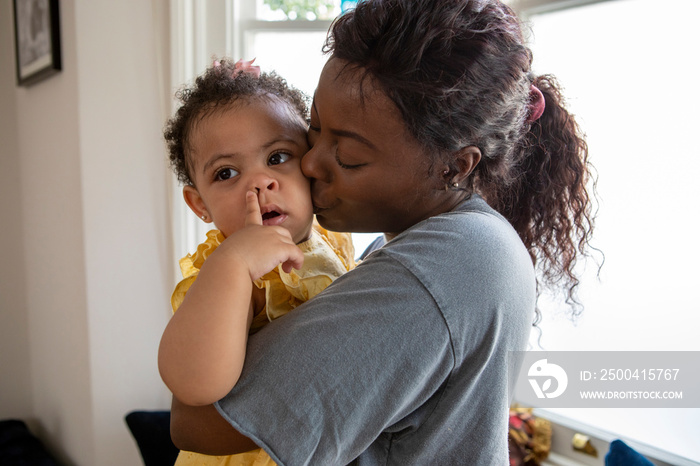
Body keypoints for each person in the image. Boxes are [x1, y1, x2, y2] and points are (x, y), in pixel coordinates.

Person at [168, 0, 596, 464]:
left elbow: (199, 421)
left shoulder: (432, 273)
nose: (310, 163)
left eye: (347, 155)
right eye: (314, 130)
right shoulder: (434, 243)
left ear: (453, 165)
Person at [158, 58, 355, 466]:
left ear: (312, 163)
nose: (260, 182)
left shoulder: (334, 238)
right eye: (227, 172)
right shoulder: (224, 271)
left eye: (278, 157)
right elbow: (193, 386)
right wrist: (235, 262)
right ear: (200, 205)